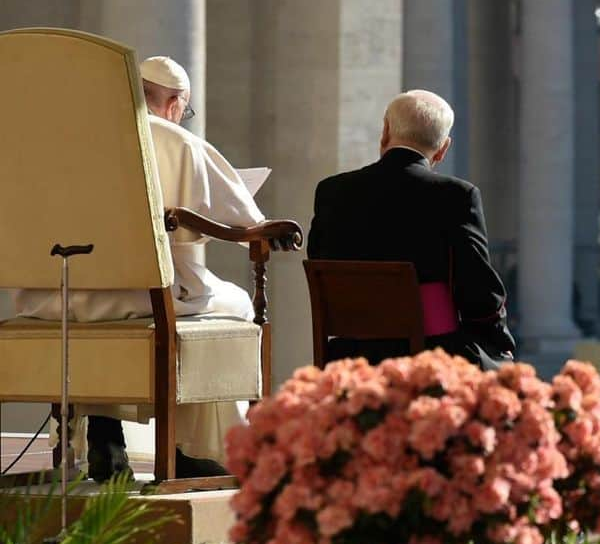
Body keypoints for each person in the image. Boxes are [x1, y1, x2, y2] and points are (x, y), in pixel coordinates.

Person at [16, 56, 270, 481]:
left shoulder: (66, 140)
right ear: (173, 102)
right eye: (182, 109)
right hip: (144, 297)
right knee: (237, 304)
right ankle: (184, 449)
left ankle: (106, 435)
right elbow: (244, 220)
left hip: (55, 298)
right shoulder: (178, 142)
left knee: (119, 313)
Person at [308, 90, 514, 368]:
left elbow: (322, 263)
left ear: (385, 131)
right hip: (431, 359)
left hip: (349, 357)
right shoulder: (456, 196)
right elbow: (479, 290)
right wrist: (500, 342)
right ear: (443, 149)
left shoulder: (331, 191)